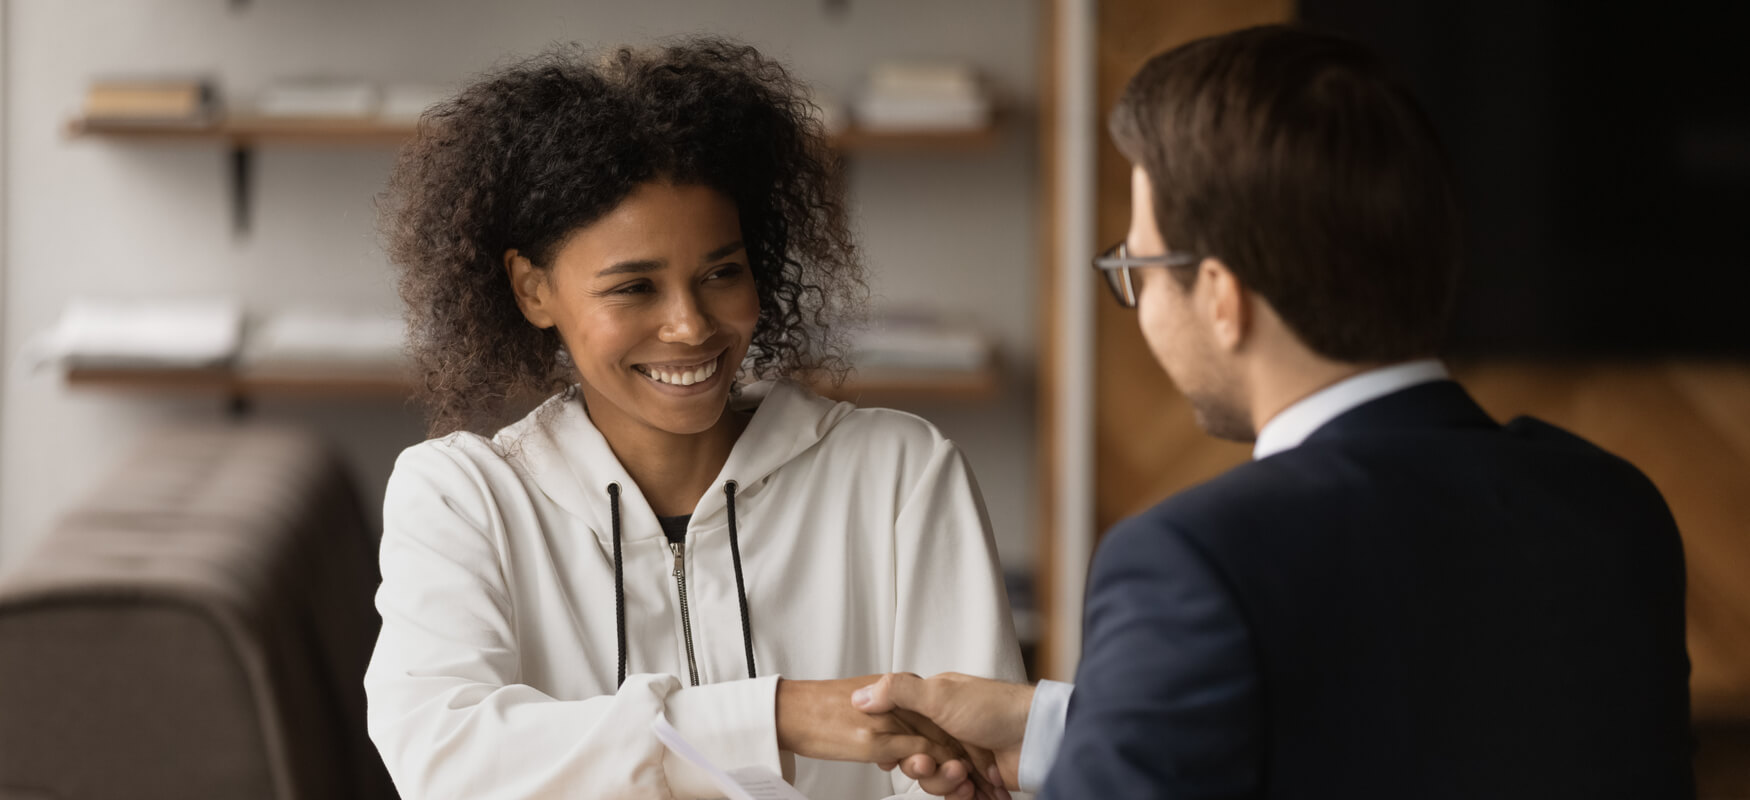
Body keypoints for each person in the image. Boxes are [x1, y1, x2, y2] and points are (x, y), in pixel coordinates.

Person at [851, 23, 1695, 799]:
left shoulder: (1191, 561)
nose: (1139, 301)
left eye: (1138, 268)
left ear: (1221, 295)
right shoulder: (1613, 507)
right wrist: (1053, 728)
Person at [365, 38, 1023, 800]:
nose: (690, 326)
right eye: (634, 288)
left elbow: (975, 765)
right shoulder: (462, 497)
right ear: (532, 290)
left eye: (721, 273)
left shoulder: (900, 473)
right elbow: (446, 763)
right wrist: (773, 716)